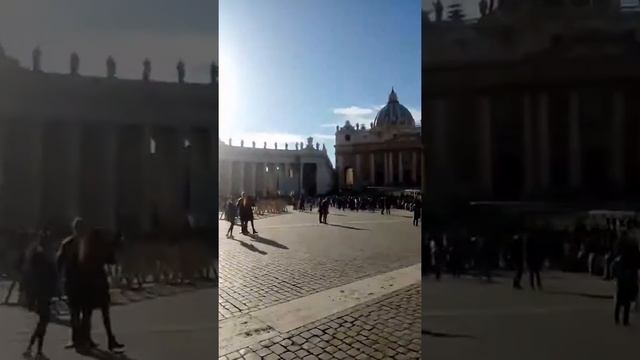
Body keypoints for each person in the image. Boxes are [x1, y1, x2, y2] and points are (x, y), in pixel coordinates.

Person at [77, 229, 125, 352]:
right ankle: (109, 339)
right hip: (99, 282)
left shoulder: (85, 249)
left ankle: (84, 339)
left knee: (87, 314)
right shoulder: (101, 248)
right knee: (105, 314)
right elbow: (112, 260)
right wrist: (113, 246)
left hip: (87, 283)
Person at [23, 232, 57, 360]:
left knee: (43, 322)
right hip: (41, 293)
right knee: (43, 321)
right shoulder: (41, 257)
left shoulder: (38, 256)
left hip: (41, 293)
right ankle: (35, 349)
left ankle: (33, 349)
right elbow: (47, 276)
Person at [56, 217, 86, 349]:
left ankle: (79, 338)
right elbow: (60, 263)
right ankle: (80, 338)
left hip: (76, 280)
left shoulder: (68, 243)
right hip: (79, 280)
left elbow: (59, 263)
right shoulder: (78, 243)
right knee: (80, 312)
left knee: (79, 312)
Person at [612, 238, 640, 326]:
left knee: (620, 298)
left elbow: (617, 266)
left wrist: (616, 276)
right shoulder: (636, 255)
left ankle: (616, 317)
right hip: (631, 278)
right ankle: (625, 320)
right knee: (627, 299)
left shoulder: (623, 255)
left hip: (622, 278)